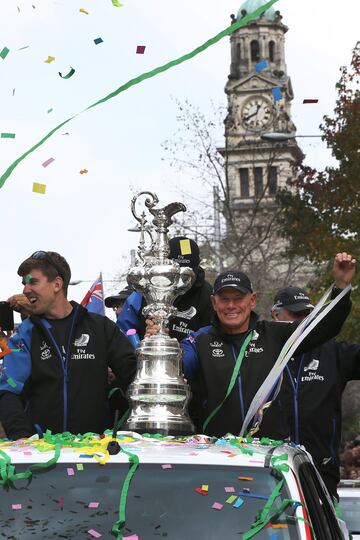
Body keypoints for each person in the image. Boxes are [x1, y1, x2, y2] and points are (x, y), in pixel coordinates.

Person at [180, 253, 355, 442]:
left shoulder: (274, 335)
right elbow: (181, 364)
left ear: (252, 300)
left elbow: (323, 327)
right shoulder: (199, 340)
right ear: (214, 303)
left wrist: (341, 287)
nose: (231, 305)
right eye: (224, 299)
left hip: (268, 453)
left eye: (238, 298)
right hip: (216, 453)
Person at [0, 251, 137, 440]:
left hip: (97, 454)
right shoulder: (25, 334)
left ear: (57, 284)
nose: (25, 290)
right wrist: (23, 438)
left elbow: (133, 374)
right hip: (43, 455)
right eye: (24, 284)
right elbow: (8, 391)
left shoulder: (100, 327)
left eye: (33, 282)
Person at [271, 285, 360, 499]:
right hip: (269, 471)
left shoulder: (333, 351)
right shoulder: (263, 350)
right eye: (295, 314)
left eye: (307, 314)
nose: (302, 320)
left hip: (321, 471)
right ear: (275, 315)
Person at [119, 236, 214, 341]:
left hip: (193, 354)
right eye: (175, 274)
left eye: (187, 274)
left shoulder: (208, 294)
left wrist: (191, 345)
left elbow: (214, 335)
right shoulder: (143, 290)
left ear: (197, 267)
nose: (181, 281)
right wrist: (141, 340)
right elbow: (125, 331)